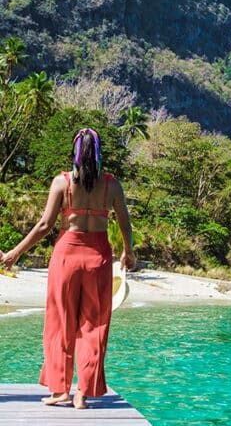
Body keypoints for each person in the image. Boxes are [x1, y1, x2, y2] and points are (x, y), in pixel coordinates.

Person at [0, 127, 137, 409]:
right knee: (93, 325)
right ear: (98, 152)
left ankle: (60, 389)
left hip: (66, 257)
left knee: (60, 321)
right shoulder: (111, 185)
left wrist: (14, 253)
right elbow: (125, 223)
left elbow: (44, 225)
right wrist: (128, 252)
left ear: (75, 151)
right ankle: (82, 394)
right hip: (98, 257)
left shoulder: (62, 183)